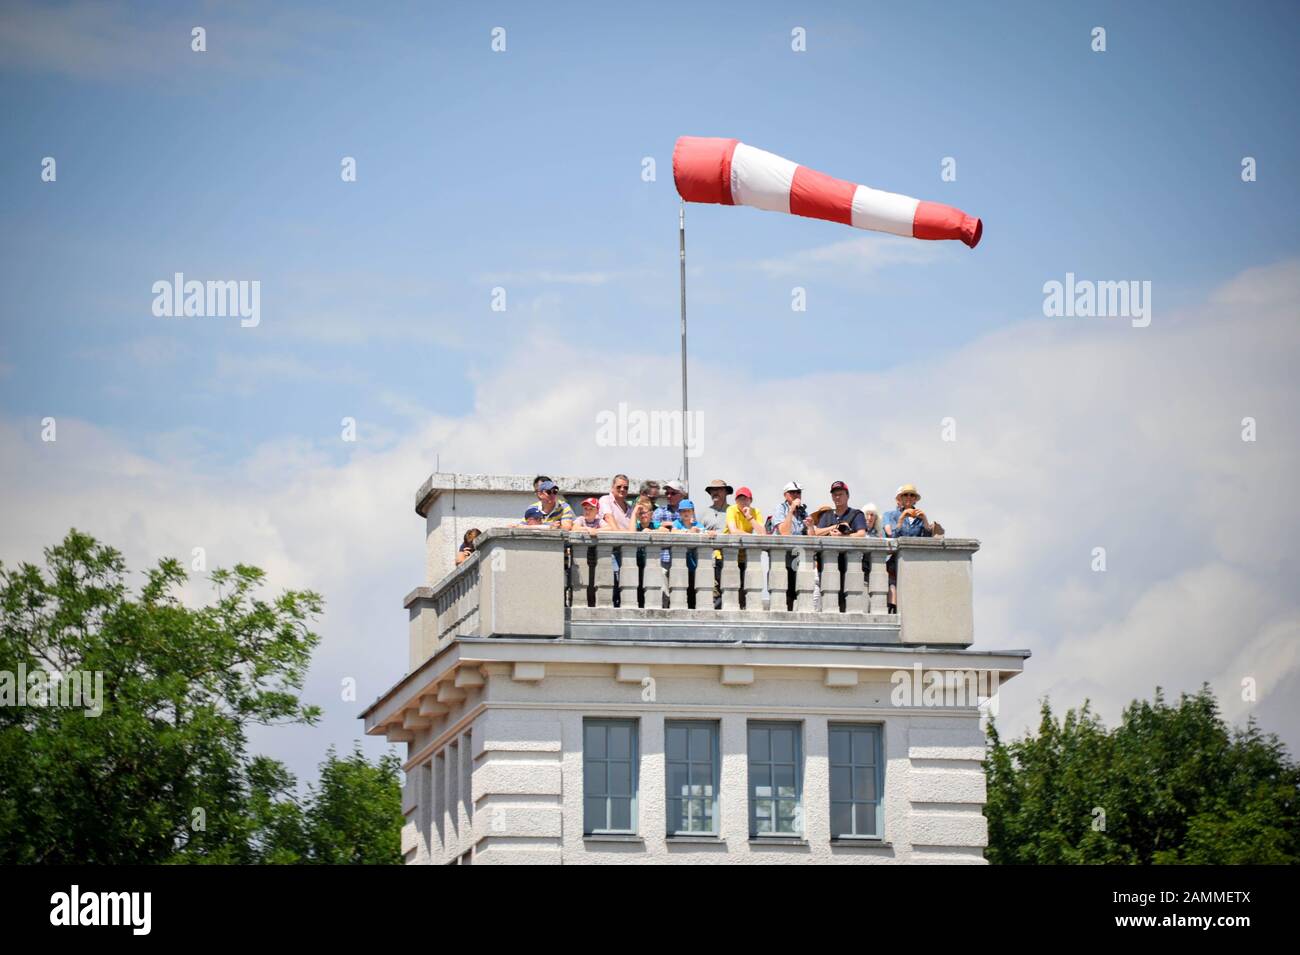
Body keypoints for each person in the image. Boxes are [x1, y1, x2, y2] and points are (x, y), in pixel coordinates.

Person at [882, 484, 934, 611]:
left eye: (912, 495)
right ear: (901, 498)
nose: (909, 497)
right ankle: (892, 609)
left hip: (915, 559)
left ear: (915, 499)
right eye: (905, 495)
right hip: (896, 559)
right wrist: (901, 519)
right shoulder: (892, 515)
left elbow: (927, 539)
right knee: (892, 584)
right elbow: (893, 538)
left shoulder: (920, 517)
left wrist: (926, 521)